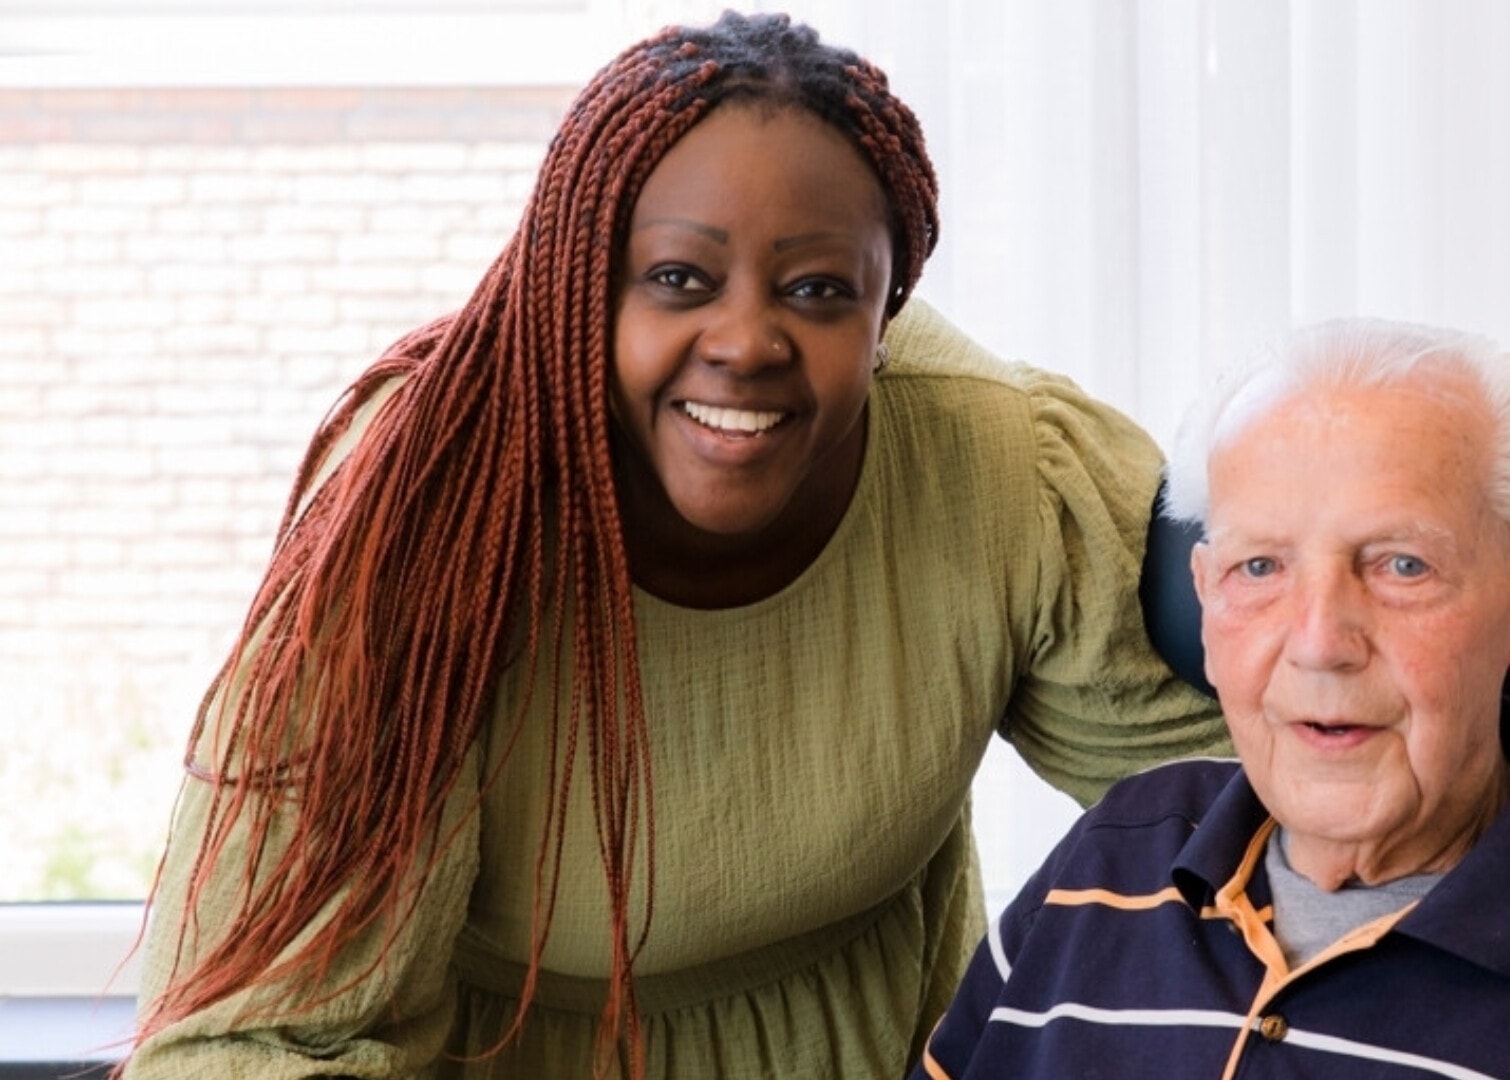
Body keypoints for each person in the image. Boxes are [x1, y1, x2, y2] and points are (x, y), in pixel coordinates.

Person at [121, 11, 1228, 1079]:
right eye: (678, 280)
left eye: (818, 290)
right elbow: (258, 1042)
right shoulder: (426, 515)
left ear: (887, 310)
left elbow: (1286, 800)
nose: (747, 341)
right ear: (576, 289)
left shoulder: (996, 469)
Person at [910, 318, 1510, 1080]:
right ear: (1205, 604)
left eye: (1401, 565)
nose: (1322, 641)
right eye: (1260, 567)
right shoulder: (1106, 863)